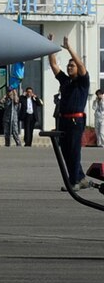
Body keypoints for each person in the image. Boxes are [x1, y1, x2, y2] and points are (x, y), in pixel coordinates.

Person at [48, 39, 91, 187]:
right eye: (68, 65)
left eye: (72, 65)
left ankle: (74, 182)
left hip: (75, 121)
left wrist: (69, 48)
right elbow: (54, 65)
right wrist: (50, 47)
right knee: (66, 151)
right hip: (64, 120)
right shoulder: (66, 81)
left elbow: (81, 65)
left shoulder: (83, 82)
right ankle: (80, 177)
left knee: (73, 151)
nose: (69, 67)